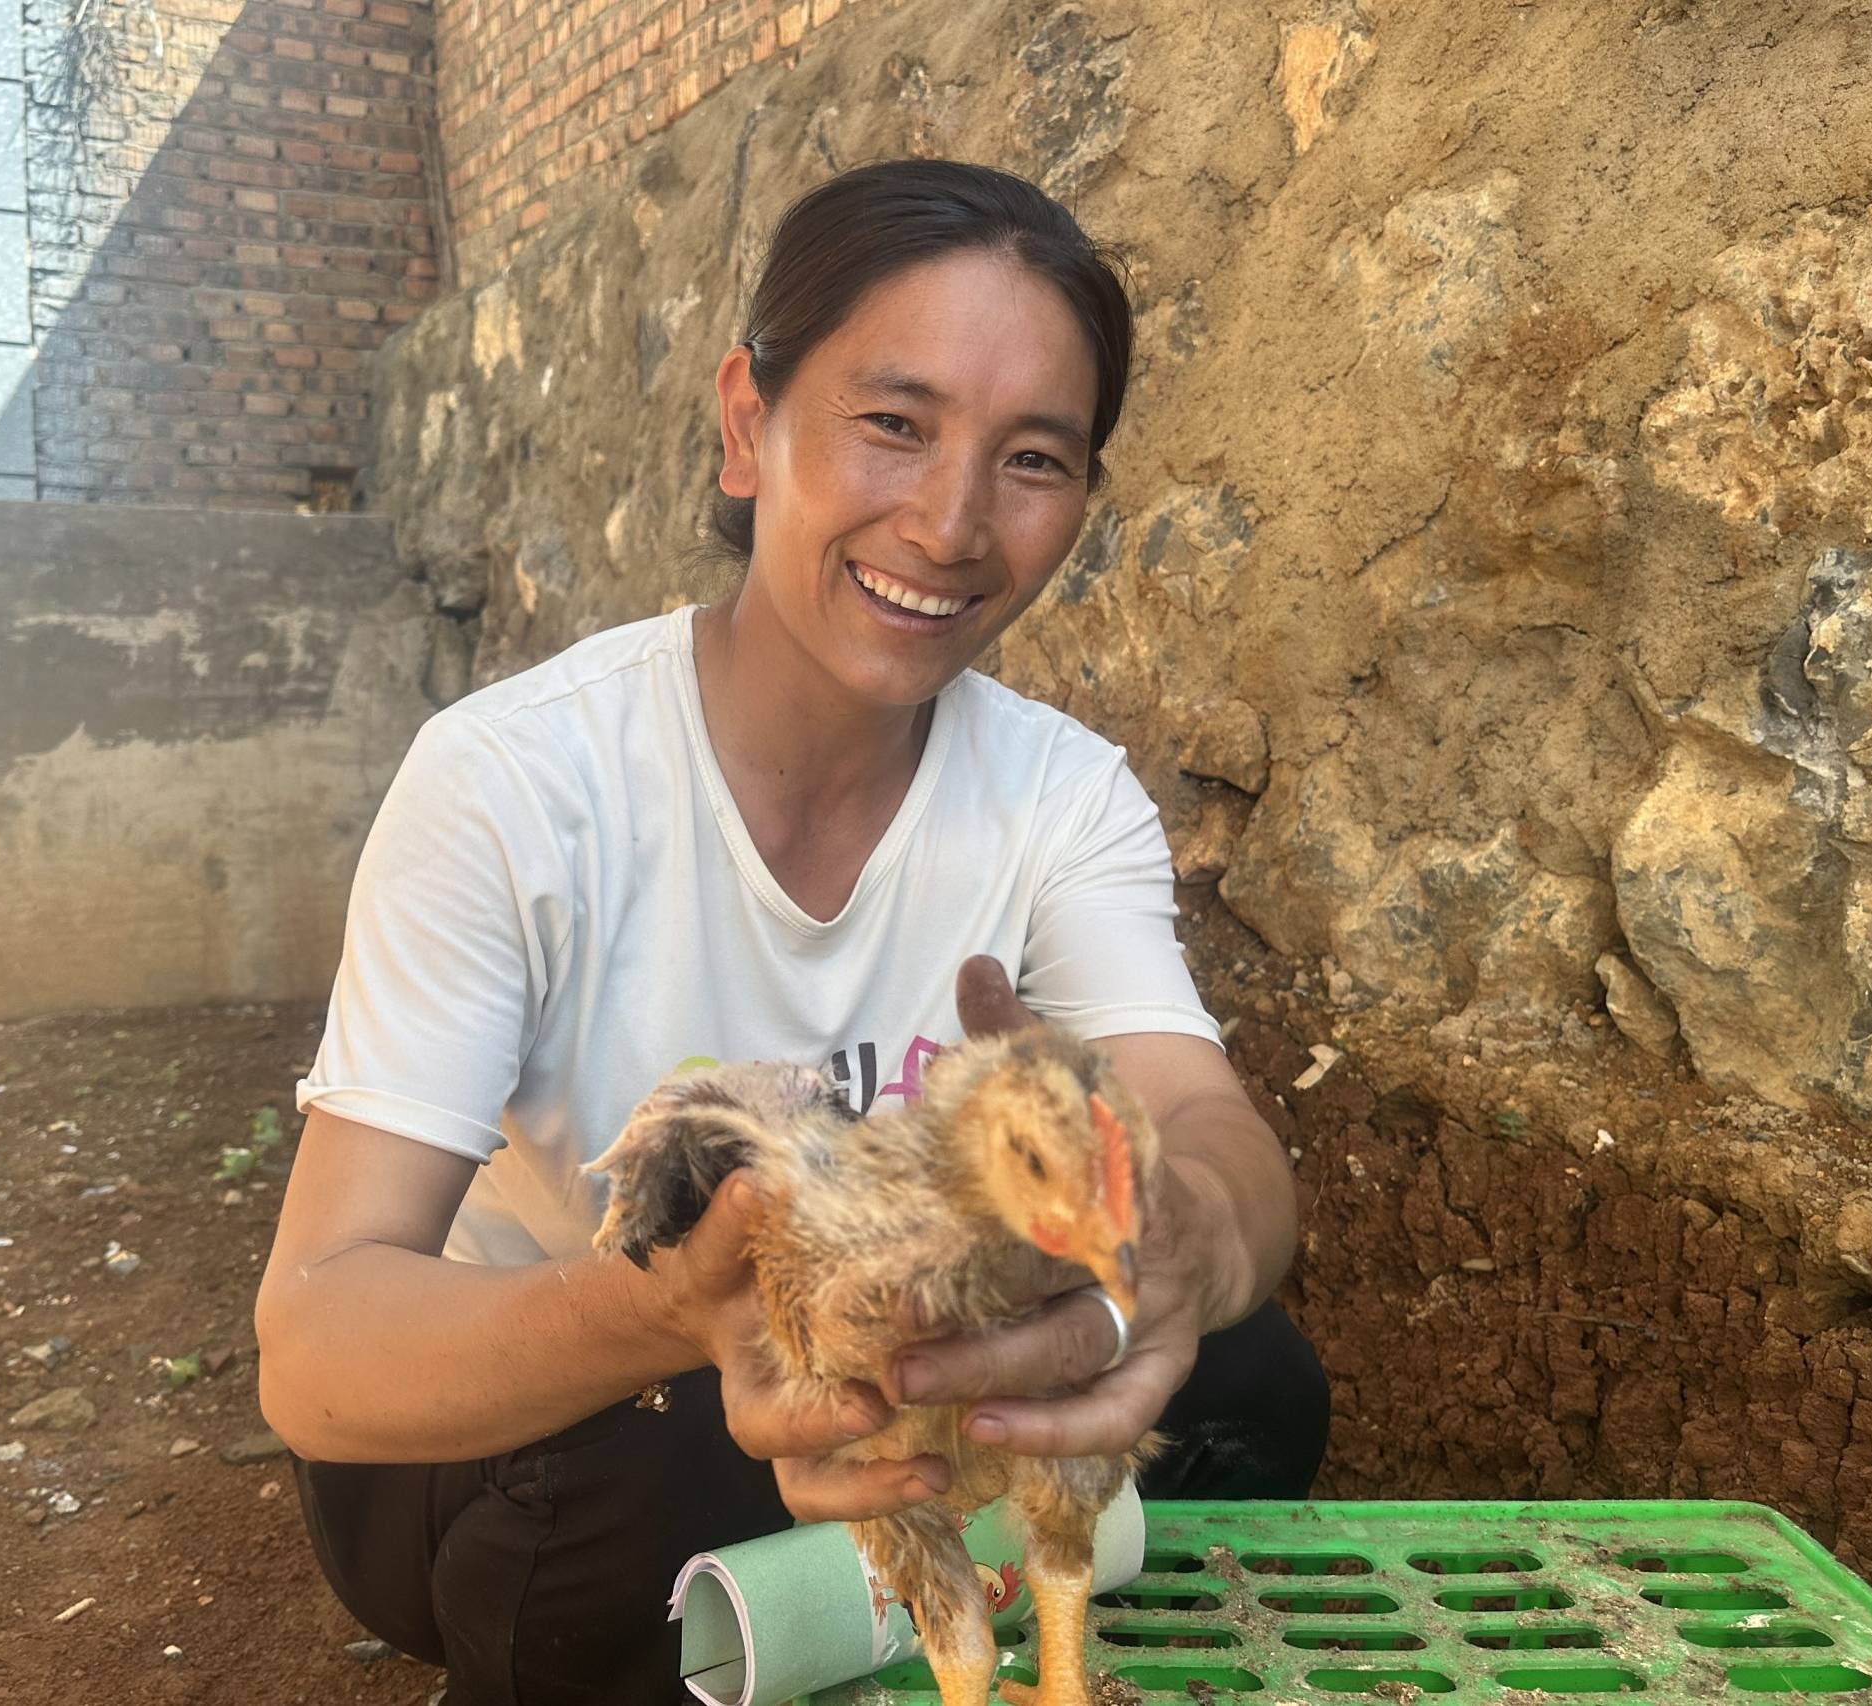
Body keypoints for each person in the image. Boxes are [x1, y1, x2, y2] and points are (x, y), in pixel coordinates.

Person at [255, 158, 1329, 1705]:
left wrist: (1187, 1250)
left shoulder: (1059, 796)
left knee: (1242, 1375)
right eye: (893, 423)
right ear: (748, 420)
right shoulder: (516, 781)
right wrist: (668, 1307)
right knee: (677, 1459)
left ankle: (938, 1642)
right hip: (500, 1432)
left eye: (1034, 458)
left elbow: (1216, 1138)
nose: (954, 523)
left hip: (864, 1365)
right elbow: (318, 1346)